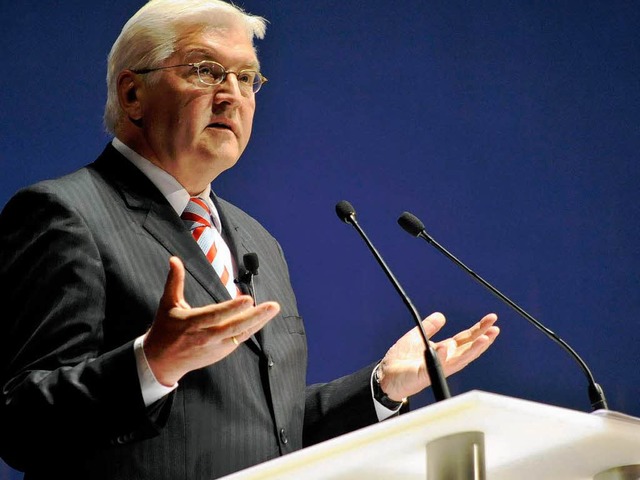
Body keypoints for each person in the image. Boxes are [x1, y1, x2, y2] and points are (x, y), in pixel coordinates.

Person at [0, 1, 500, 478]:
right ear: (133, 95)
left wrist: (382, 388)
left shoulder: (255, 239)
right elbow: (20, 421)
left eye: (245, 78)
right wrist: (151, 363)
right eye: (204, 71)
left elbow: (265, 431)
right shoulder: (66, 214)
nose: (231, 95)